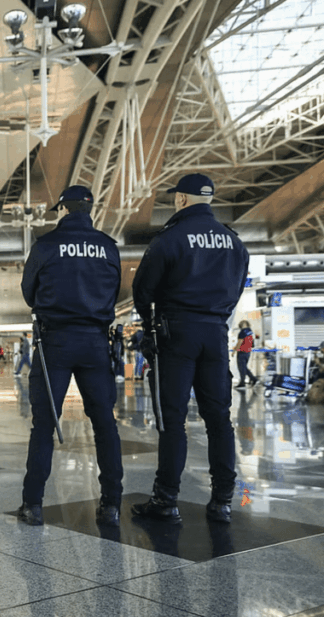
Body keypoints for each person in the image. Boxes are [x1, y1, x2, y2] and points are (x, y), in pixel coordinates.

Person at [131, 173, 249, 525]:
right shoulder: (234, 242)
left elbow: (143, 290)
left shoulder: (170, 238)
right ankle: (223, 500)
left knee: (173, 420)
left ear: (181, 199)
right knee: (219, 419)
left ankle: (166, 500)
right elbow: (237, 287)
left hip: (176, 334)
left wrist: (149, 324)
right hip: (215, 333)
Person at [17, 185, 124, 527]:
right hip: (96, 342)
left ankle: (33, 505)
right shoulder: (108, 246)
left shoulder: (46, 245)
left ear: (63, 209)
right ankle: (111, 504)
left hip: (55, 342)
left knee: (44, 424)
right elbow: (115, 290)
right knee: (105, 424)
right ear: (89, 210)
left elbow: (28, 292)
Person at [234, 321, 259, 389]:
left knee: (241, 368)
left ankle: (242, 383)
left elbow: (240, 342)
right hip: (248, 352)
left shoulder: (242, 332)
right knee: (244, 367)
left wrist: (234, 351)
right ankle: (253, 379)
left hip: (242, 352)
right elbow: (253, 342)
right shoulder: (250, 331)